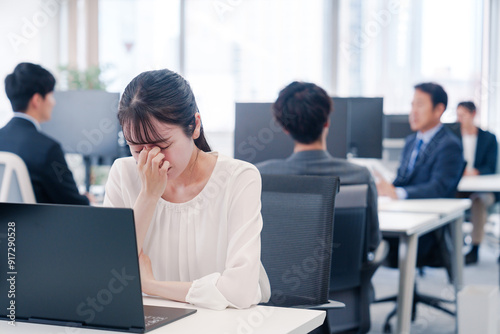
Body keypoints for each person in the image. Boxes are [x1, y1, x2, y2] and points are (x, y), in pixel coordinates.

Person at [103, 69, 270, 310]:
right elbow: (107, 275)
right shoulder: (123, 174)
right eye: (137, 149)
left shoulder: (238, 178)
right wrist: (149, 195)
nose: (151, 158)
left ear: (194, 126)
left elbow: (240, 292)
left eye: (162, 145)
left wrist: (150, 285)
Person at [255, 81, 382, 255]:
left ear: (285, 128)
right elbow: (372, 242)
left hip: (280, 280)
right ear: (326, 122)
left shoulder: (259, 176)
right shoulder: (360, 176)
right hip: (346, 280)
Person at [376, 82, 464, 265]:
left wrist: (398, 193)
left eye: (420, 104)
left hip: (429, 226)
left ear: (439, 109)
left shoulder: (449, 145)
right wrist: (387, 188)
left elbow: (438, 188)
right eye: (412, 104)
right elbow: (403, 179)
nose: (413, 111)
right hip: (404, 213)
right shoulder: (410, 141)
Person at [0, 62, 90, 205]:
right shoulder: (48, 150)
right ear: (37, 100)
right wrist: (86, 199)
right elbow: (73, 204)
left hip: (8, 226)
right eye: (51, 95)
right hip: (35, 226)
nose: (53, 103)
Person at [455, 101, 497, 264]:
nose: (459, 120)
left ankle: (475, 248)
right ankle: (447, 245)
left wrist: (474, 172)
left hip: (483, 189)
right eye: (457, 116)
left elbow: (491, 166)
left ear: (473, 115)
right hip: (460, 188)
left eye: (463, 115)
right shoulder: (453, 137)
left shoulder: (488, 138)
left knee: (478, 201)